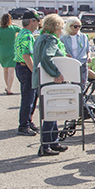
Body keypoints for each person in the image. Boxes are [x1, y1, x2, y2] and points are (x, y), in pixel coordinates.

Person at [33, 14, 69, 156]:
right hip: (47, 81)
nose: (61, 31)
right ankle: (45, 145)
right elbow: (46, 58)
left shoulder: (40, 38)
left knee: (51, 113)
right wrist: (56, 74)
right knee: (49, 113)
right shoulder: (50, 39)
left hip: (40, 80)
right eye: (60, 28)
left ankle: (53, 141)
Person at [14, 11, 40, 136]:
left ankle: (28, 121)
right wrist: (34, 71)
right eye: (37, 20)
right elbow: (26, 55)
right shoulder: (27, 35)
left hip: (22, 67)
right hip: (26, 68)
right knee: (28, 98)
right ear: (32, 21)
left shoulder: (22, 33)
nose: (38, 23)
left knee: (32, 97)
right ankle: (23, 125)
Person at [0, 13, 21, 94]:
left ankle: (7, 86)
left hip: (2, 51)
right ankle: (9, 88)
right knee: (11, 70)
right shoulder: (13, 28)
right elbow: (23, 29)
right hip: (12, 51)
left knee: (5, 69)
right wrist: (14, 24)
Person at [61, 17, 90, 85]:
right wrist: (65, 55)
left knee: (82, 85)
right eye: (75, 26)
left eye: (79, 26)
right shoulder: (63, 38)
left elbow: (87, 50)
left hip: (82, 63)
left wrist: (88, 57)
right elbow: (62, 51)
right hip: (70, 64)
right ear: (69, 26)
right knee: (72, 85)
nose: (77, 28)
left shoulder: (83, 37)